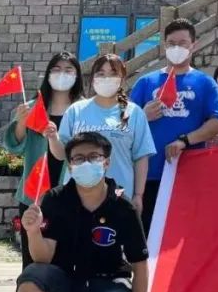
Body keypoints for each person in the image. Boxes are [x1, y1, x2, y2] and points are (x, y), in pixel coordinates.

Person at [15, 132, 148, 292]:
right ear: (70, 165)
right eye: (78, 158)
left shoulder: (123, 207)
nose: (86, 163)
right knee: (31, 278)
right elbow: (43, 258)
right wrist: (32, 232)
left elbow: (140, 267)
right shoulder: (55, 200)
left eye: (93, 157)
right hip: (68, 285)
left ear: (106, 162)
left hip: (109, 285)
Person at [128, 19, 218, 234]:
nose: (176, 48)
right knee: (147, 237)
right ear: (164, 46)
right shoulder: (146, 82)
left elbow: (217, 122)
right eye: (171, 43)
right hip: (148, 176)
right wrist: (142, 116)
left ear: (193, 45)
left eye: (182, 43)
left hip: (189, 176)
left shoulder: (205, 83)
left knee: (184, 237)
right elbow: (123, 125)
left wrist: (185, 140)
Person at [3, 53, 83, 270]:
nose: (62, 74)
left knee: (68, 254)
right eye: (56, 69)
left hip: (72, 193)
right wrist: (21, 123)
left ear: (77, 76)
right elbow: (14, 146)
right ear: (48, 74)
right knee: (33, 258)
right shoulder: (32, 107)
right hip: (35, 193)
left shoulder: (83, 109)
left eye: (68, 70)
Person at [47, 54, 155, 213]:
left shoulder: (134, 113)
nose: (107, 78)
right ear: (92, 79)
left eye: (113, 73)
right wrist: (53, 138)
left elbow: (141, 157)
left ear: (123, 79)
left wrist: (138, 195)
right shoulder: (76, 110)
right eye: (101, 74)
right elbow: (62, 154)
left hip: (119, 195)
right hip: (76, 195)